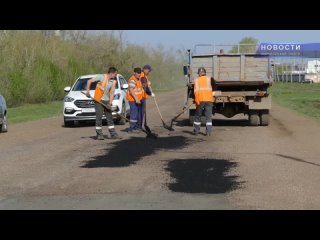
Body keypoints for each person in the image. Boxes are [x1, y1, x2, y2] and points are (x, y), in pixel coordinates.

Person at [86, 67, 120, 140]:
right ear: (111, 73)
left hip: (106, 101)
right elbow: (89, 81)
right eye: (115, 74)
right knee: (99, 118)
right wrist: (87, 91)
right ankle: (99, 134)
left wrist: (110, 103)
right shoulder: (101, 77)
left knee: (109, 118)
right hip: (98, 100)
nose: (115, 76)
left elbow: (112, 93)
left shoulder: (113, 82)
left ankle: (113, 134)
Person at [193, 67, 214, 136]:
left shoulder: (196, 80)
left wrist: (196, 101)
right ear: (205, 73)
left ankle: (196, 131)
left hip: (200, 100)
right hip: (209, 100)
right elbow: (214, 88)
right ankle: (208, 132)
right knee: (208, 117)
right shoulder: (210, 79)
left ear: (199, 73)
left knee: (198, 116)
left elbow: (196, 92)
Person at [126, 67, 144, 133]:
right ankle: (131, 128)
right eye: (138, 73)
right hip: (133, 100)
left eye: (140, 73)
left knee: (137, 114)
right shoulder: (132, 79)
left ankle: (136, 127)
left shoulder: (138, 79)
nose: (139, 74)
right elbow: (131, 90)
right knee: (134, 114)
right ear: (134, 73)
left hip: (138, 99)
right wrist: (136, 99)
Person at [140, 64, 155, 129]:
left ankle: (139, 126)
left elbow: (146, 85)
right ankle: (139, 126)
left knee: (142, 112)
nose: (149, 72)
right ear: (145, 70)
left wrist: (148, 83)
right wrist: (150, 93)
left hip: (142, 96)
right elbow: (144, 86)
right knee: (141, 112)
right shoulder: (142, 76)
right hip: (141, 96)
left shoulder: (144, 76)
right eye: (149, 71)